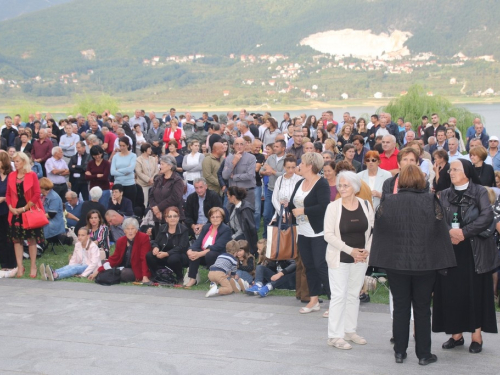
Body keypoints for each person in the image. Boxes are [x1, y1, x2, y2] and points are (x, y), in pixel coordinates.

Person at [370, 165, 456, 364]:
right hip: (424, 264)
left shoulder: (388, 201)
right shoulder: (430, 200)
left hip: (396, 263)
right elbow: (440, 227)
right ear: (420, 180)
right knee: (422, 309)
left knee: (400, 308)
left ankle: (400, 352)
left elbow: (380, 225)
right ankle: (424, 355)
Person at [433, 159, 499, 353]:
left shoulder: (480, 191)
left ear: (467, 172)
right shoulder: (444, 194)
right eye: (450, 170)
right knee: (453, 292)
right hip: (451, 249)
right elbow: (436, 217)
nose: (450, 173)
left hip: (474, 250)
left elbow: (487, 216)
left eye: (455, 169)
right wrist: (450, 233)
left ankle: (476, 336)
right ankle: (456, 334)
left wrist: (463, 232)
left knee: (474, 292)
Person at [323, 171, 374, 350]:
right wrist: (350, 251)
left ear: (355, 187)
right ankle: (335, 336)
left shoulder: (366, 205)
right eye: (340, 185)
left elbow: (371, 231)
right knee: (339, 296)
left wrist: (365, 251)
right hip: (340, 258)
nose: (342, 188)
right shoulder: (333, 207)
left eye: (346, 185)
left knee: (353, 295)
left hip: (360, 259)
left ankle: (349, 331)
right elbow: (328, 235)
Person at [288, 152, 331, 314]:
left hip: (318, 232)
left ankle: (334, 301)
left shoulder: (322, 184)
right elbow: (294, 203)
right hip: (302, 231)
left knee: (321, 266)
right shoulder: (300, 183)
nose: (299, 165)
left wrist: (303, 210)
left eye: (302, 163)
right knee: (309, 266)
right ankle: (314, 300)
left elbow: (324, 206)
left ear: (310, 166)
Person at [89, 218, 151, 283]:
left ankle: (113, 274)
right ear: (124, 231)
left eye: (132, 229)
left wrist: (145, 276)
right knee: (104, 264)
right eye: (127, 229)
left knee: (124, 273)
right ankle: (111, 273)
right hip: (121, 267)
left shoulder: (143, 238)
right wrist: (98, 271)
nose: (130, 231)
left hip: (136, 269)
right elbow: (114, 258)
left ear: (136, 230)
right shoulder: (120, 241)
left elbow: (144, 259)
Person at [184, 207, 232, 288]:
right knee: (194, 251)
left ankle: (214, 278)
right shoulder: (206, 227)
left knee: (210, 254)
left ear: (222, 218)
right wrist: (190, 250)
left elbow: (217, 246)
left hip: (218, 256)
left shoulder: (226, 229)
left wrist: (199, 254)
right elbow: (198, 242)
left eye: (218, 217)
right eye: (213, 217)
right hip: (203, 255)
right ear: (209, 218)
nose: (215, 219)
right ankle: (192, 278)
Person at [147, 206, 189, 283]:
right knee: (149, 255)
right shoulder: (162, 228)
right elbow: (155, 241)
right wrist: (155, 248)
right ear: (166, 219)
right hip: (163, 254)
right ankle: (156, 276)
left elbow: (181, 247)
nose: (172, 218)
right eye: (170, 216)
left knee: (173, 258)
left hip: (179, 255)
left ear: (178, 218)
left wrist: (167, 253)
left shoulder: (184, 230)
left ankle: (179, 277)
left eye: (175, 216)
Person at [149, 155, 185, 234]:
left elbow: (176, 198)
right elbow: (151, 195)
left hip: (172, 217)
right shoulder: (158, 179)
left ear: (170, 166)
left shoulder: (177, 180)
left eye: (162, 164)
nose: (160, 167)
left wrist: (159, 207)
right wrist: (156, 210)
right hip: (158, 217)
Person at [222, 137, 256, 210]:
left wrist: (234, 177)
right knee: (229, 215)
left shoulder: (251, 158)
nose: (239, 146)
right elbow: (225, 176)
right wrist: (233, 163)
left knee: (247, 215)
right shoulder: (228, 158)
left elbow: (249, 175)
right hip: (233, 193)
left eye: (241, 144)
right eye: (237, 144)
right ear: (233, 146)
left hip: (247, 192)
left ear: (245, 146)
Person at [227, 187, 258, 254]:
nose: (228, 198)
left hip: (243, 236)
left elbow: (247, 229)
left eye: (228, 196)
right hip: (236, 234)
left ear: (233, 197)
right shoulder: (233, 207)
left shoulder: (245, 209)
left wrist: (233, 237)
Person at [0, 152, 16, 274]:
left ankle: (12, 264)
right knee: (1, 238)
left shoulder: (11, 176)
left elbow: (14, 192)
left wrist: (4, 198)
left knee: (10, 237)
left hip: (9, 210)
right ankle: (4, 263)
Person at [111, 137, 137, 203]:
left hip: (129, 184)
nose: (122, 147)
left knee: (130, 205)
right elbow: (112, 172)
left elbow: (130, 169)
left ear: (128, 145)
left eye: (123, 146)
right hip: (118, 184)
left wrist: (118, 170)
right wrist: (125, 171)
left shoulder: (133, 156)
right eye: (120, 145)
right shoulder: (115, 156)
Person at [39, 177, 66, 243]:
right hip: (45, 219)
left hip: (53, 222)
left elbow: (51, 215)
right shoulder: (42, 196)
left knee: (34, 225)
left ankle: (38, 245)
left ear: (42, 187)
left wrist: (37, 218)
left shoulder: (54, 197)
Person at [135, 143, 158, 208]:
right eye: (149, 148)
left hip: (153, 184)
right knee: (144, 202)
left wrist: (153, 179)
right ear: (145, 150)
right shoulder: (138, 160)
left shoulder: (153, 159)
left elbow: (157, 170)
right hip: (143, 185)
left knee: (153, 201)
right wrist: (148, 179)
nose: (151, 150)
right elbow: (139, 172)